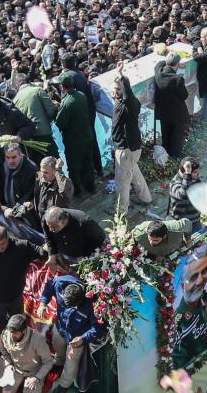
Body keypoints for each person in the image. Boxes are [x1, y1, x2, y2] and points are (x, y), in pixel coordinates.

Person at [0, 226, 46, 344]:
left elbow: (39, 252)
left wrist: (48, 249)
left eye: (2, 244)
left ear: (8, 238)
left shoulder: (20, 246)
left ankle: (22, 343)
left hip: (16, 296)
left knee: (19, 323)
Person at [39, 276, 105, 393]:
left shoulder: (94, 304)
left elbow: (99, 328)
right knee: (57, 345)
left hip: (77, 337)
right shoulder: (60, 283)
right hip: (60, 327)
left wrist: (83, 338)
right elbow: (49, 287)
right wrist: (43, 303)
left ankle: (65, 384)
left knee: (71, 362)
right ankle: (58, 363)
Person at [173, 245, 207, 369]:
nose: (200, 280)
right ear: (181, 285)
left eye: (205, 270)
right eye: (193, 277)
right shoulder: (177, 323)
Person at [0, 314, 54, 393]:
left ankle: (39, 383)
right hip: (16, 368)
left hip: (33, 371)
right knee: (4, 391)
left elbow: (48, 361)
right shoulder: (6, 334)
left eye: (15, 333)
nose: (12, 335)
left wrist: (37, 378)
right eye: (11, 332)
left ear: (23, 331)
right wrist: (8, 364)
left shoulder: (37, 339)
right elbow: (3, 351)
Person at [111, 62, 152, 214]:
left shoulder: (130, 104)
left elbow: (127, 90)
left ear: (123, 91)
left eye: (116, 90)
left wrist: (122, 75)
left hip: (125, 150)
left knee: (122, 182)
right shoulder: (121, 102)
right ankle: (146, 198)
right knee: (134, 173)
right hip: (130, 150)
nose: (112, 92)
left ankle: (121, 212)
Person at [54, 75, 97, 198]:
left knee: (74, 166)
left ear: (62, 87)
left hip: (74, 141)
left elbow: (59, 122)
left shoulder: (66, 102)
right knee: (88, 163)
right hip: (87, 136)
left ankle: (77, 190)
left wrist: (58, 107)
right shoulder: (81, 95)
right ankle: (91, 187)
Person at [12, 81, 60, 165]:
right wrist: (56, 106)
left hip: (27, 137)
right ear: (29, 83)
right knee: (54, 163)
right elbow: (50, 111)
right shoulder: (38, 90)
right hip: (42, 133)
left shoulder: (15, 98)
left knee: (38, 166)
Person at [42, 207, 107, 268]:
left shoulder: (84, 222)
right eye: (49, 226)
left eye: (54, 227)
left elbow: (100, 238)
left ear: (63, 222)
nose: (50, 229)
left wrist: (86, 256)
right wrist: (52, 254)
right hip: (66, 254)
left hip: (86, 255)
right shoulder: (48, 220)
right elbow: (48, 236)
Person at [153, 53, 190, 158]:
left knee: (166, 134)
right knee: (176, 137)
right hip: (177, 113)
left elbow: (158, 65)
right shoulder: (177, 79)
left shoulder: (158, 73)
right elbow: (184, 95)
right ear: (177, 64)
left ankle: (166, 154)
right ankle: (175, 155)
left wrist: (167, 60)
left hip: (163, 112)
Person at [26, 157, 74, 230]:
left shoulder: (62, 184)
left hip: (58, 224)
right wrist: (33, 202)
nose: (43, 175)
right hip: (43, 221)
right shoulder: (41, 180)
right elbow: (41, 197)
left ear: (54, 172)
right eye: (42, 171)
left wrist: (58, 170)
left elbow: (65, 190)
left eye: (46, 172)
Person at [0, 144, 39, 219]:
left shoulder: (31, 169)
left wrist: (14, 211)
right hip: (7, 210)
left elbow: (29, 194)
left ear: (20, 155)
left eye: (14, 157)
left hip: (25, 213)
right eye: (8, 157)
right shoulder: (4, 165)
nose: (10, 161)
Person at [168, 157, 203, 233]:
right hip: (181, 222)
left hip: (195, 219)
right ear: (185, 173)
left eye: (198, 171)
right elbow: (183, 195)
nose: (198, 174)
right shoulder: (175, 183)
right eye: (195, 172)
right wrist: (188, 174)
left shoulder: (195, 178)